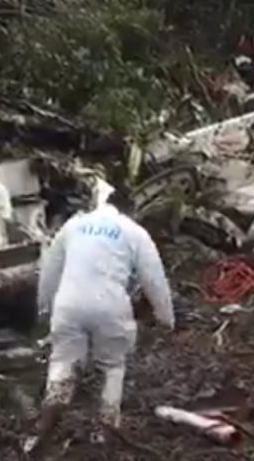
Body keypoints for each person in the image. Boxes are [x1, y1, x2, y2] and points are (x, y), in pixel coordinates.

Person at [32, 187, 173, 443]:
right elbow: (154, 279)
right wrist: (166, 318)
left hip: (69, 303)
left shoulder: (74, 226)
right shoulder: (134, 232)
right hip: (110, 305)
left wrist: (44, 308)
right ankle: (104, 432)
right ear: (130, 210)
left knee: (63, 362)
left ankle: (46, 427)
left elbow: (50, 270)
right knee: (112, 367)